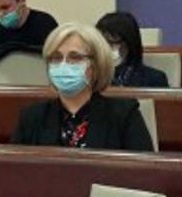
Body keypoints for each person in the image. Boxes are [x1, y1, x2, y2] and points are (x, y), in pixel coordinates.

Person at [11, 23, 153, 151]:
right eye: (56, 58)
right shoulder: (32, 117)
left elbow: (143, 169)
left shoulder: (124, 115)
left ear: (96, 64)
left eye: (75, 57)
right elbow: (15, 168)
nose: (63, 65)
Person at [95, 12, 170, 88]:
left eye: (113, 41)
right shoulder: (92, 76)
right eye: (102, 41)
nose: (106, 48)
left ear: (129, 42)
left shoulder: (154, 78)